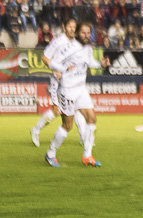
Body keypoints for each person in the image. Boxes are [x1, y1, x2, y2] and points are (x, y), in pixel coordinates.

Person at [45, 22, 110, 168]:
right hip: (67, 90)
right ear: (76, 34)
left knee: (92, 119)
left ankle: (87, 156)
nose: (87, 36)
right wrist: (63, 68)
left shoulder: (87, 48)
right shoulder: (68, 48)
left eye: (89, 33)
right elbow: (52, 63)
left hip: (81, 89)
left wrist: (101, 64)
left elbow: (90, 62)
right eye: (83, 33)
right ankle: (50, 153)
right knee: (67, 126)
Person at [31, 18, 88, 148]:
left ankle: (84, 137)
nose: (73, 29)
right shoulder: (57, 41)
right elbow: (45, 58)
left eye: (75, 27)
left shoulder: (76, 42)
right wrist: (55, 69)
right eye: (70, 26)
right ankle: (36, 130)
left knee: (78, 108)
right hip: (57, 82)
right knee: (56, 111)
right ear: (64, 27)